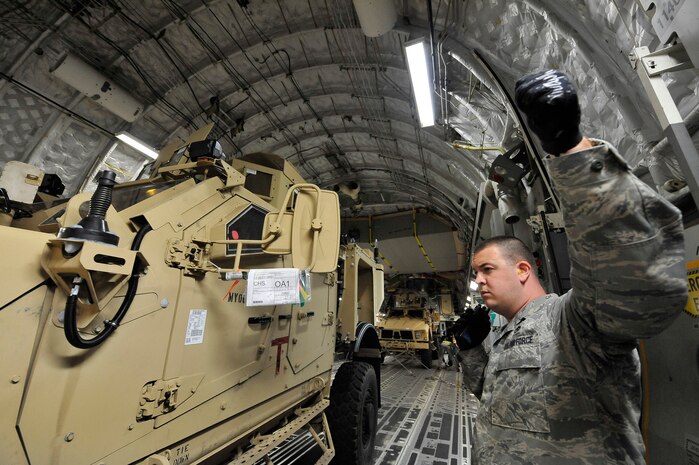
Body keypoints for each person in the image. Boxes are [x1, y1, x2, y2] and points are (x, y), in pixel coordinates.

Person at [451, 69, 687, 464]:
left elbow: (633, 278)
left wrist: (570, 149)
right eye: (476, 273)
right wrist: (473, 350)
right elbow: (499, 400)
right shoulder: (505, 336)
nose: (478, 281)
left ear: (523, 270)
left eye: (487, 270)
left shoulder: (573, 321)